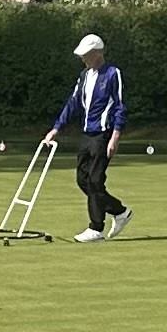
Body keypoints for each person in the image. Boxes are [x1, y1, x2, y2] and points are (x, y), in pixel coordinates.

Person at [49, 33, 129, 241]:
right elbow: (73, 102)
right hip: (87, 134)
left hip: (103, 134)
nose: (83, 59)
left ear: (97, 53)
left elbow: (120, 107)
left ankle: (96, 228)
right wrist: (56, 128)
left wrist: (115, 137)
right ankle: (119, 212)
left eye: (86, 55)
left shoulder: (113, 74)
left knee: (95, 181)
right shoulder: (84, 76)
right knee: (82, 180)